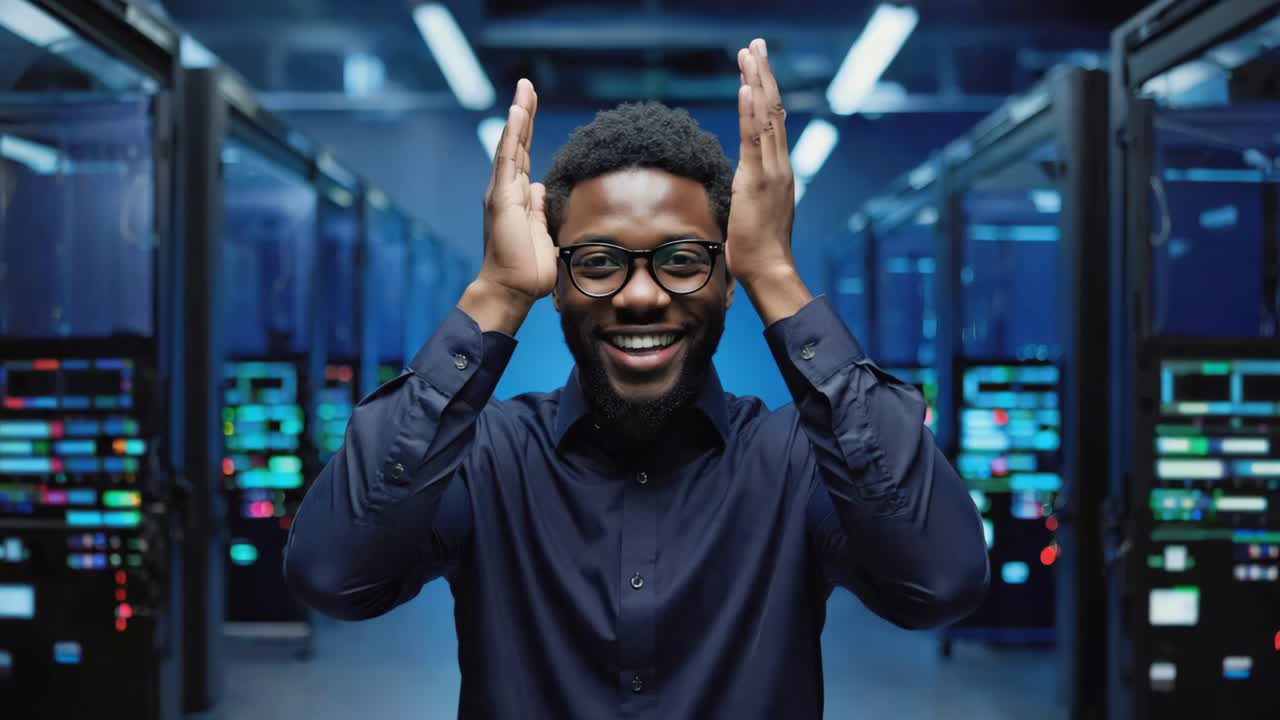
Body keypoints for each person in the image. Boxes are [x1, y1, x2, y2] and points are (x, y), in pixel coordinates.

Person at [284, 38, 989, 719]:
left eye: (683, 259)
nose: (641, 295)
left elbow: (939, 581)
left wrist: (776, 272)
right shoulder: (485, 457)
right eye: (596, 262)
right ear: (556, 284)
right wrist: (495, 294)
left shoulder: (799, 461)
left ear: (727, 283)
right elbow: (333, 575)